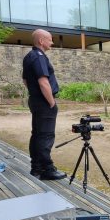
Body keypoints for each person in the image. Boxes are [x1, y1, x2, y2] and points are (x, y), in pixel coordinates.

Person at [22, 29, 67, 180]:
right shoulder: (40, 57)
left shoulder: (29, 56)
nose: (52, 42)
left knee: (37, 135)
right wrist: (51, 102)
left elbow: (26, 81)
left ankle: (36, 169)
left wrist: (35, 94)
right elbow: (43, 82)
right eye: (50, 39)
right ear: (41, 41)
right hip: (43, 102)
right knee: (46, 136)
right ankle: (47, 169)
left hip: (35, 100)